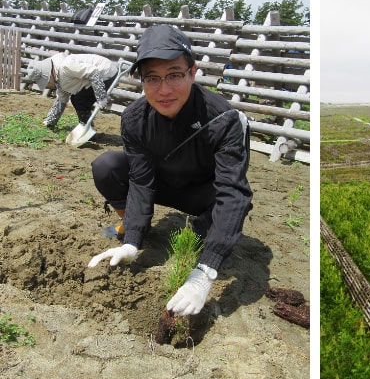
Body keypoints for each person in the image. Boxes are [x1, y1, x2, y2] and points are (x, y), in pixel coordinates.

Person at [87, 24, 253, 317]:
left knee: (227, 208)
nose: (163, 90)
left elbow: (232, 193)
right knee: (107, 166)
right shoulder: (134, 119)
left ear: (193, 72)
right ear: (142, 82)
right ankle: (134, 227)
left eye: (174, 75)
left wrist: (205, 272)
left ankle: (202, 230)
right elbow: (140, 179)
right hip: (162, 186)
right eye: (152, 78)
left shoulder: (225, 119)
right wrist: (132, 242)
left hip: (203, 195)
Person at [23, 52, 119, 130]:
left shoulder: (66, 66)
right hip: (93, 79)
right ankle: (86, 126)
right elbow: (61, 100)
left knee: (79, 100)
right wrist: (49, 121)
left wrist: (101, 97)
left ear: (48, 74)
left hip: (106, 72)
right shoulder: (58, 77)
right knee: (77, 99)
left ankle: (86, 127)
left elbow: (94, 73)